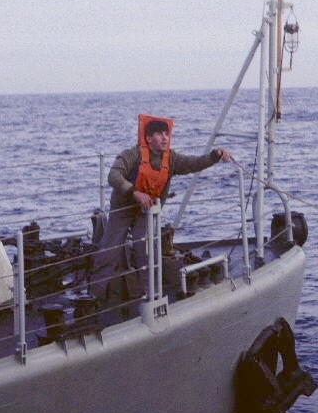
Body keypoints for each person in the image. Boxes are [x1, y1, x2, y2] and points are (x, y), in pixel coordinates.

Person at [91, 116, 230, 316]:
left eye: (167, 134)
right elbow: (113, 176)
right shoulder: (132, 155)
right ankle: (95, 297)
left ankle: (148, 294)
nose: (165, 138)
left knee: (146, 251)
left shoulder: (171, 159)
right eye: (159, 134)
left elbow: (194, 163)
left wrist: (215, 155)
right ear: (148, 138)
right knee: (109, 252)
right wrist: (134, 192)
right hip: (123, 208)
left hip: (145, 212)